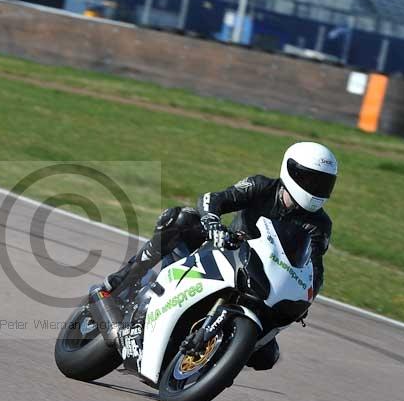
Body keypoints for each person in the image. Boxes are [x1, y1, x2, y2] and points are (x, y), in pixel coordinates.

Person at [102, 142, 338, 370]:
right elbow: (212, 199)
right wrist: (213, 222)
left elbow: (314, 268)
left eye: (323, 184)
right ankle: (124, 279)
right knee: (181, 219)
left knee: (267, 357)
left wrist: (306, 296)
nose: (315, 189)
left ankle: (213, 358)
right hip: (223, 252)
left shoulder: (320, 225)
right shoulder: (262, 186)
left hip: (261, 282)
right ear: (290, 171)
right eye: (309, 179)